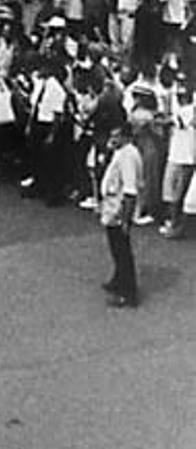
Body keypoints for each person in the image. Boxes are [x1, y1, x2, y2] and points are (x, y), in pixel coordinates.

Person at [99, 119, 143, 308]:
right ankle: (118, 279)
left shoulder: (128, 156)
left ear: (127, 137)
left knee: (122, 252)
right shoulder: (120, 152)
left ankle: (128, 292)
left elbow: (130, 191)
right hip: (111, 205)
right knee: (115, 249)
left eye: (117, 136)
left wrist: (125, 220)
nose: (113, 139)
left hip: (119, 209)